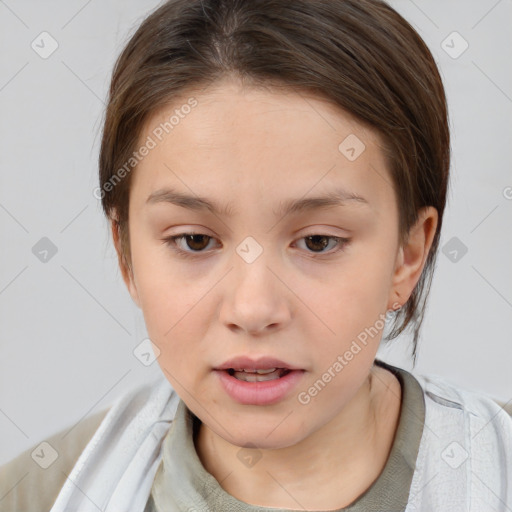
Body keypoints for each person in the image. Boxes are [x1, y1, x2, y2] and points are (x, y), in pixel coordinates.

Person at [1, 0, 511, 511]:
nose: (253, 309)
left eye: (317, 241)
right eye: (195, 241)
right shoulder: (35, 497)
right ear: (126, 253)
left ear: (409, 253)